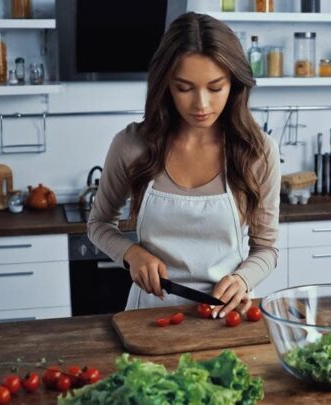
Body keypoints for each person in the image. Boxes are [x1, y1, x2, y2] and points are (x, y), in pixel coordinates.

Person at [87, 12, 281, 319]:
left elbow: (266, 249)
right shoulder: (130, 145)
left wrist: (243, 279)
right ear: (165, 85)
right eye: (184, 88)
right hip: (149, 318)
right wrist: (131, 253)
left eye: (215, 88)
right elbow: (98, 224)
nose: (201, 105)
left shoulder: (258, 151)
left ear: (234, 84)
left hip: (226, 316)